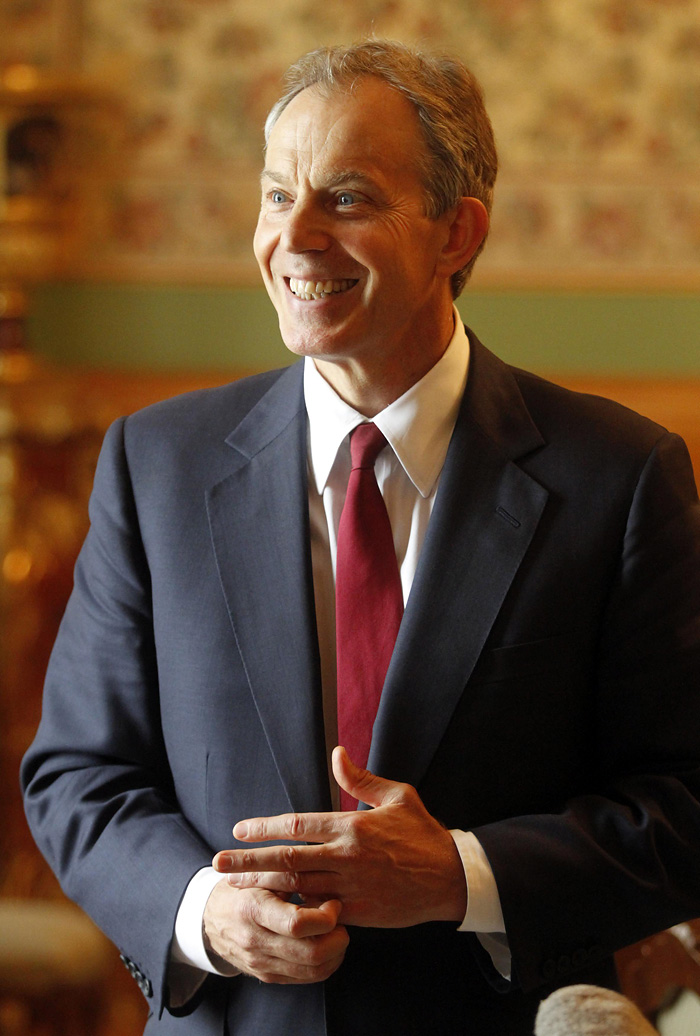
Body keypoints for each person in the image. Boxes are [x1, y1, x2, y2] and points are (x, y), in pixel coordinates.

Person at [21, 39, 700, 1036]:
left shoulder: (619, 475)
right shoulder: (154, 464)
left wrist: (459, 874)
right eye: (274, 195)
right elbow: (77, 775)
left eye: (345, 199)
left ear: (456, 233)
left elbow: (681, 807)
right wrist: (206, 913)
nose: (294, 236)